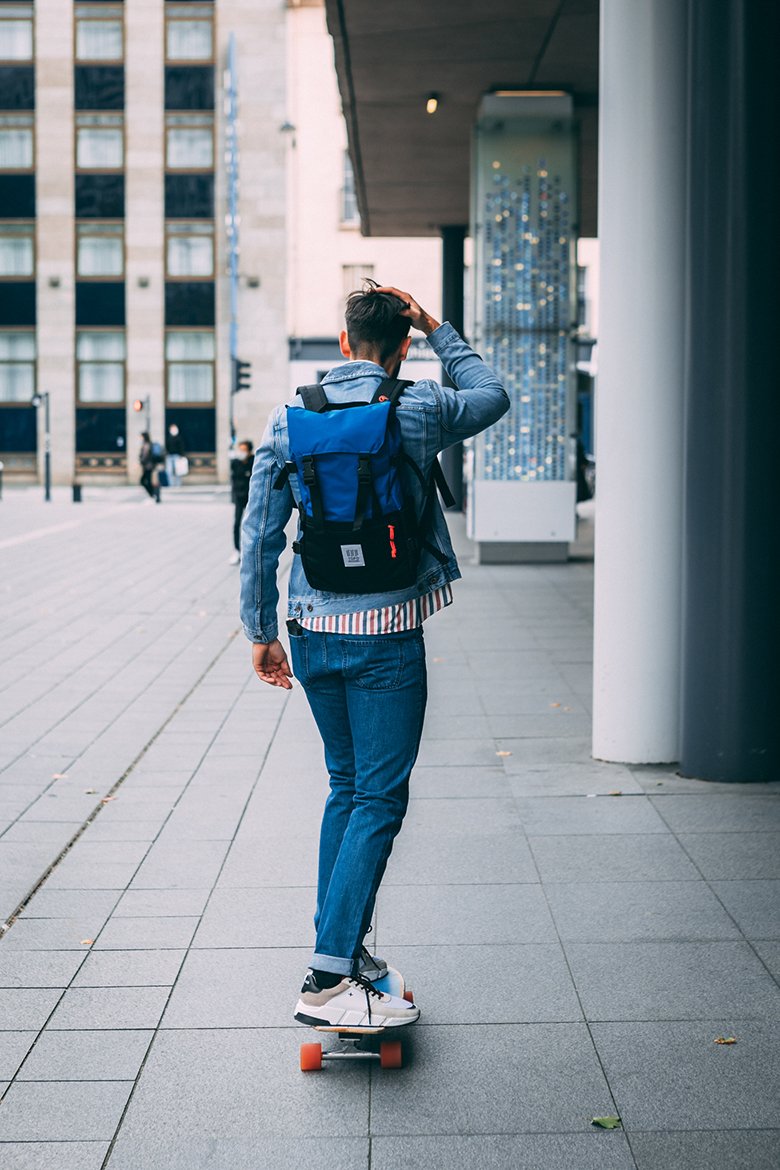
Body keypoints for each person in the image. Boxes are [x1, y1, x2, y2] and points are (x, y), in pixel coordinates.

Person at [239, 283, 509, 1031]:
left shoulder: (288, 419)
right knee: (379, 799)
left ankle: (347, 954)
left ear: (344, 341)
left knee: (347, 786)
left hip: (313, 631)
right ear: (402, 344)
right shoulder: (417, 409)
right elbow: (491, 395)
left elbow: (258, 533)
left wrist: (260, 630)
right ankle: (327, 978)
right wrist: (439, 328)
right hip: (388, 634)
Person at [229, 439, 254, 565]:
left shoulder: (254, 462)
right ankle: (236, 550)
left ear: (249, 451)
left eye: (244, 450)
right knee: (236, 524)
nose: (241, 452)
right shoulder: (235, 463)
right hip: (239, 497)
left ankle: (250, 551)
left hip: (251, 497)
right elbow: (233, 480)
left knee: (250, 525)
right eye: (240, 450)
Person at [165, 423, 186, 488]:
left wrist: (181, 455)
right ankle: (171, 484)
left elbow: (181, 447)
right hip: (170, 455)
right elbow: (167, 446)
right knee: (169, 471)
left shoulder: (179, 438)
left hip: (177, 456)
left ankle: (178, 484)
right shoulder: (168, 437)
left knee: (178, 471)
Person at [138, 431, 157, 500]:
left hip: (148, 466)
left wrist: (141, 462)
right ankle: (152, 495)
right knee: (147, 481)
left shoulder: (146, 445)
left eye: (141, 436)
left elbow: (145, 456)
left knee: (144, 481)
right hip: (149, 465)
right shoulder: (148, 444)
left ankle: (152, 495)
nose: (140, 438)